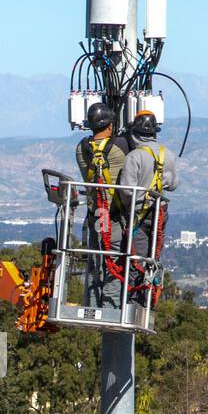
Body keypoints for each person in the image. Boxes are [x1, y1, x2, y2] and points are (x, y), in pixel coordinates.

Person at [115, 110, 179, 307]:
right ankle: (148, 299)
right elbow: (174, 184)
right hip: (159, 214)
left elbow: (127, 192)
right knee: (153, 256)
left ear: (135, 134)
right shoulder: (167, 154)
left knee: (137, 260)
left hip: (139, 216)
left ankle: (134, 304)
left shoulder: (134, 157)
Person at [74, 104, 127, 308]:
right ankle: (109, 310)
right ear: (110, 126)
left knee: (95, 265)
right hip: (113, 216)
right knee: (113, 265)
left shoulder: (81, 149)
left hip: (94, 214)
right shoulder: (119, 147)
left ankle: (92, 307)